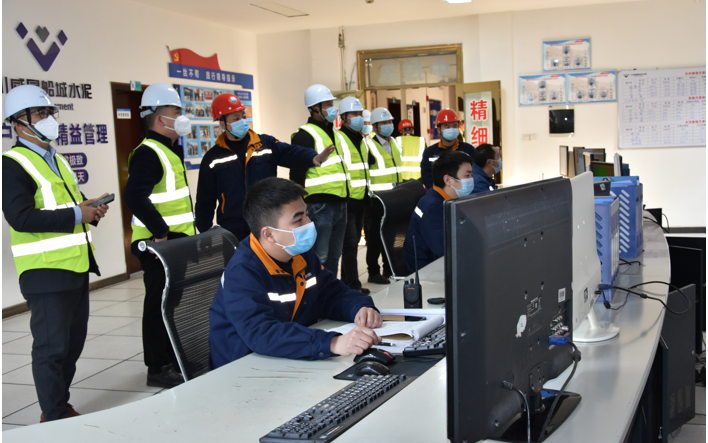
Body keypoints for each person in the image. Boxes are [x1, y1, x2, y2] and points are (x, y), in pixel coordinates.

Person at [2, 85, 110, 422]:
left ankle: (60, 404)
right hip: (45, 272)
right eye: (40, 113)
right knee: (51, 348)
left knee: (71, 346)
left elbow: (65, 206)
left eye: (50, 112)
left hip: (75, 266)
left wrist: (89, 209)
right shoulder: (12, 164)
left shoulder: (57, 159)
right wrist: (78, 213)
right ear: (18, 123)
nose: (48, 118)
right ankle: (53, 415)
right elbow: (20, 218)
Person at [209, 177, 383, 368]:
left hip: (291, 358)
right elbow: (262, 333)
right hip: (244, 370)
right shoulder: (242, 272)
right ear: (269, 234)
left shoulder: (300, 255)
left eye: (307, 214)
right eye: (298, 220)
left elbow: (330, 293)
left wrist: (360, 308)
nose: (309, 223)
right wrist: (332, 343)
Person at [124, 83, 195, 388]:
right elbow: (134, 196)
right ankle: (157, 368)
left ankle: (171, 358)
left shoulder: (168, 150)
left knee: (171, 305)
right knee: (158, 305)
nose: (181, 116)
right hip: (158, 245)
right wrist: (161, 232)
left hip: (175, 243)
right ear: (158, 116)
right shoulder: (148, 153)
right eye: (176, 111)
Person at [195, 93, 334, 240]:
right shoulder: (213, 158)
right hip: (233, 228)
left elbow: (290, 152)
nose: (242, 121)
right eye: (236, 119)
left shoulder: (265, 144)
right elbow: (205, 199)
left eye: (243, 116)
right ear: (223, 124)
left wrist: (312, 157)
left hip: (268, 223)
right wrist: (205, 233)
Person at [290, 84, 349, 276]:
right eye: (328, 104)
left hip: (340, 203)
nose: (333, 108)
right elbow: (296, 174)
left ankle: (330, 292)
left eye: (332, 103)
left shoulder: (335, 133)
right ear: (315, 108)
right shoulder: (304, 135)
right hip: (319, 205)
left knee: (334, 256)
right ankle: (314, 292)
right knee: (319, 257)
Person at [404, 150, 473, 274]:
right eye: (467, 176)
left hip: (440, 264)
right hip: (426, 271)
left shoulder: (448, 199)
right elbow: (445, 249)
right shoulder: (432, 206)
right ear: (448, 180)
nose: (471, 179)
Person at [336, 97, 373, 295]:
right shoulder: (339, 138)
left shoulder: (361, 139)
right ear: (343, 117)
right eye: (354, 114)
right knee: (349, 244)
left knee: (354, 242)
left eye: (360, 114)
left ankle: (348, 282)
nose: (358, 117)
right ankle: (353, 286)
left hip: (362, 200)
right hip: (348, 201)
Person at [364, 107, 403, 284]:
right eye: (384, 123)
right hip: (377, 200)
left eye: (390, 122)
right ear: (374, 126)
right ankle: (373, 272)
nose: (388, 125)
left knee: (394, 235)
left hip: (395, 198)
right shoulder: (368, 145)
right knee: (375, 238)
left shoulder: (394, 143)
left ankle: (390, 268)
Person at [421, 109, 475, 190]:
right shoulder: (429, 152)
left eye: (455, 126)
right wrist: (442, 191)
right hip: (438, 193)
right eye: (447, 126)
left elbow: (474, 173)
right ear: (439, 129)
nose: (451, 129)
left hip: (463, 192)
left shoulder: (468, 149)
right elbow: (426, 177)